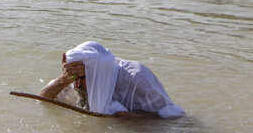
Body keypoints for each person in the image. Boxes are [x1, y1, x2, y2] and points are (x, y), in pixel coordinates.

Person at [38, 41, 185, 118]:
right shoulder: (75, 77)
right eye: (72, 76)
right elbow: (41, 100)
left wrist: (134, 119)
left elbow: (173, 118)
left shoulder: (137, 78)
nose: (76, 84)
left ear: (96, 74)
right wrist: (62, 80)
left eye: (80, 78)